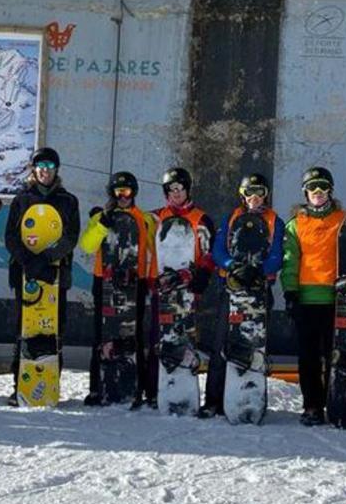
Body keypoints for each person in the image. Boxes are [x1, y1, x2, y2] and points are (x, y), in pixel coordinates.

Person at [4, 147, 80, 406]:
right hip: (26, 274)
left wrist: (47, 259)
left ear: (56, 169)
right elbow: (11, 237)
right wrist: (30, 261)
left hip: (56, 273)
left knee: (54, 329)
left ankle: (50, 384)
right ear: (33, 169)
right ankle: (20, 386)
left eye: (49, 165)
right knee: (24, 328)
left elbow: (70, 237)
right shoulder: (22, 199)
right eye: (40, 165)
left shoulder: (67, 200)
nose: (45, 170)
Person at [207, 173, 284, 419]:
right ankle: (213, 400)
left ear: (266, 194)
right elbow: (217, 249)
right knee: (222, 343)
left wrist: (259, 270)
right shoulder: (231, 218)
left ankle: (249, 397)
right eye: (249, 192)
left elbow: (277, 253)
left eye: (259, 192)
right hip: (232, 288)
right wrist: (232, 265)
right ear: (242, 194)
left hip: (258, 291)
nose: (254, 198)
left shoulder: (274, 220)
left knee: (253, 345)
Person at [79, 171, 158, 408]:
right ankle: (97, 388)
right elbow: (87, 246)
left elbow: (154, 250)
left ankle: (137, 387)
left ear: (134, 192)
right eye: (118, 191)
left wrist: (152, 279)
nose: (123, 196)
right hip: (105, 280)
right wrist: (101, 225)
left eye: (127, 191)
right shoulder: (102, 216)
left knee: (133, 335)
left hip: (136, 281)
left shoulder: (144, 219)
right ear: (111, 193)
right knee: (102, 334)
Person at [280, 167, 346, 426]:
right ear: (305, 192)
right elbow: (290, 261)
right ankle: (312, 406)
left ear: (330, 190)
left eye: (322, 187)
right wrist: (291, 292)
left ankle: (336, 403)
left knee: (335, 356)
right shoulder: (296, 224)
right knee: (308, 357)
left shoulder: (343, 219)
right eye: (312, 188)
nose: (317, 193)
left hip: (336, 299)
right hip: (307, 300)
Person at [149, 167, 216, 409]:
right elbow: (135, 236)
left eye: (180, 189)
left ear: (187, 190)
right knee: (159, 337)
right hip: (163, 287)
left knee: (184, 336)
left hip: (188, 287)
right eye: (171, 190)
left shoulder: (200, 219)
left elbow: (210, 252)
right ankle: (154, 390)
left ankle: (184, 383)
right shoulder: (157, 217)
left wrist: (204, 274)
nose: (176, 194)